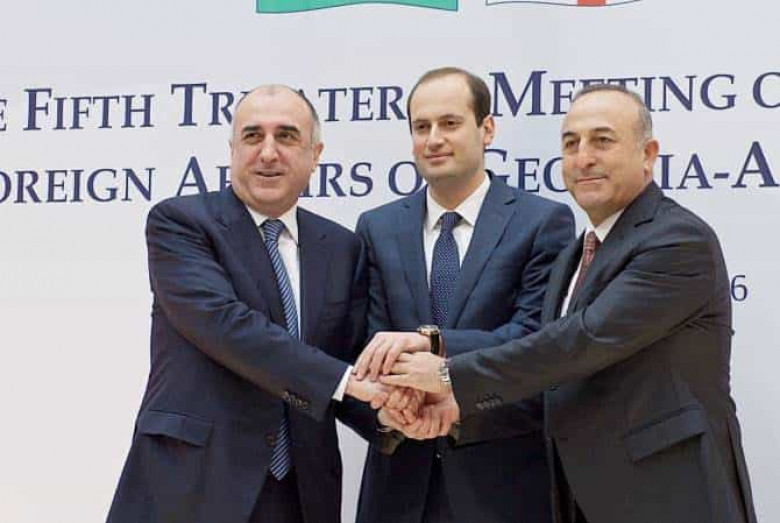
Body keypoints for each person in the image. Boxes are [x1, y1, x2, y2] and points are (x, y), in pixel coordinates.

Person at [384, 84, 758, 523]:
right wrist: (457, 414)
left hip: (670, 499)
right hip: (583, 498)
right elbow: (556, 384)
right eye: (570, 144)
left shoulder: (678, 240)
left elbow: (579, 342)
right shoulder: (575, 255)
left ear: (648, 154)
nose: (583, 158)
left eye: (602, 140)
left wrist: (448, 375)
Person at [106, 85, 395, 523]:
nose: (268, 152)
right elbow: (227, 326)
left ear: (315, 154)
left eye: (287, 136)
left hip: (302, 493)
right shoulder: (181, 223)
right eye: (253, 136)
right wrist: (347, 380)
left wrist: (389, 413)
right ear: (233, 149)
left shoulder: (341, 247)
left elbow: (345, 361)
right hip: (191, 485)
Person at [352, 67, 574, 523]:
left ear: (486, 128)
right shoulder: (377, 227)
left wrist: (437, 351)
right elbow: (369, 344)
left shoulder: (542, 222)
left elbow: (535, 341)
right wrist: (394, 408)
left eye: (450, 123)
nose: (434, 139)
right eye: (421, 127)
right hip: (398, 486)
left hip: (501, 487)